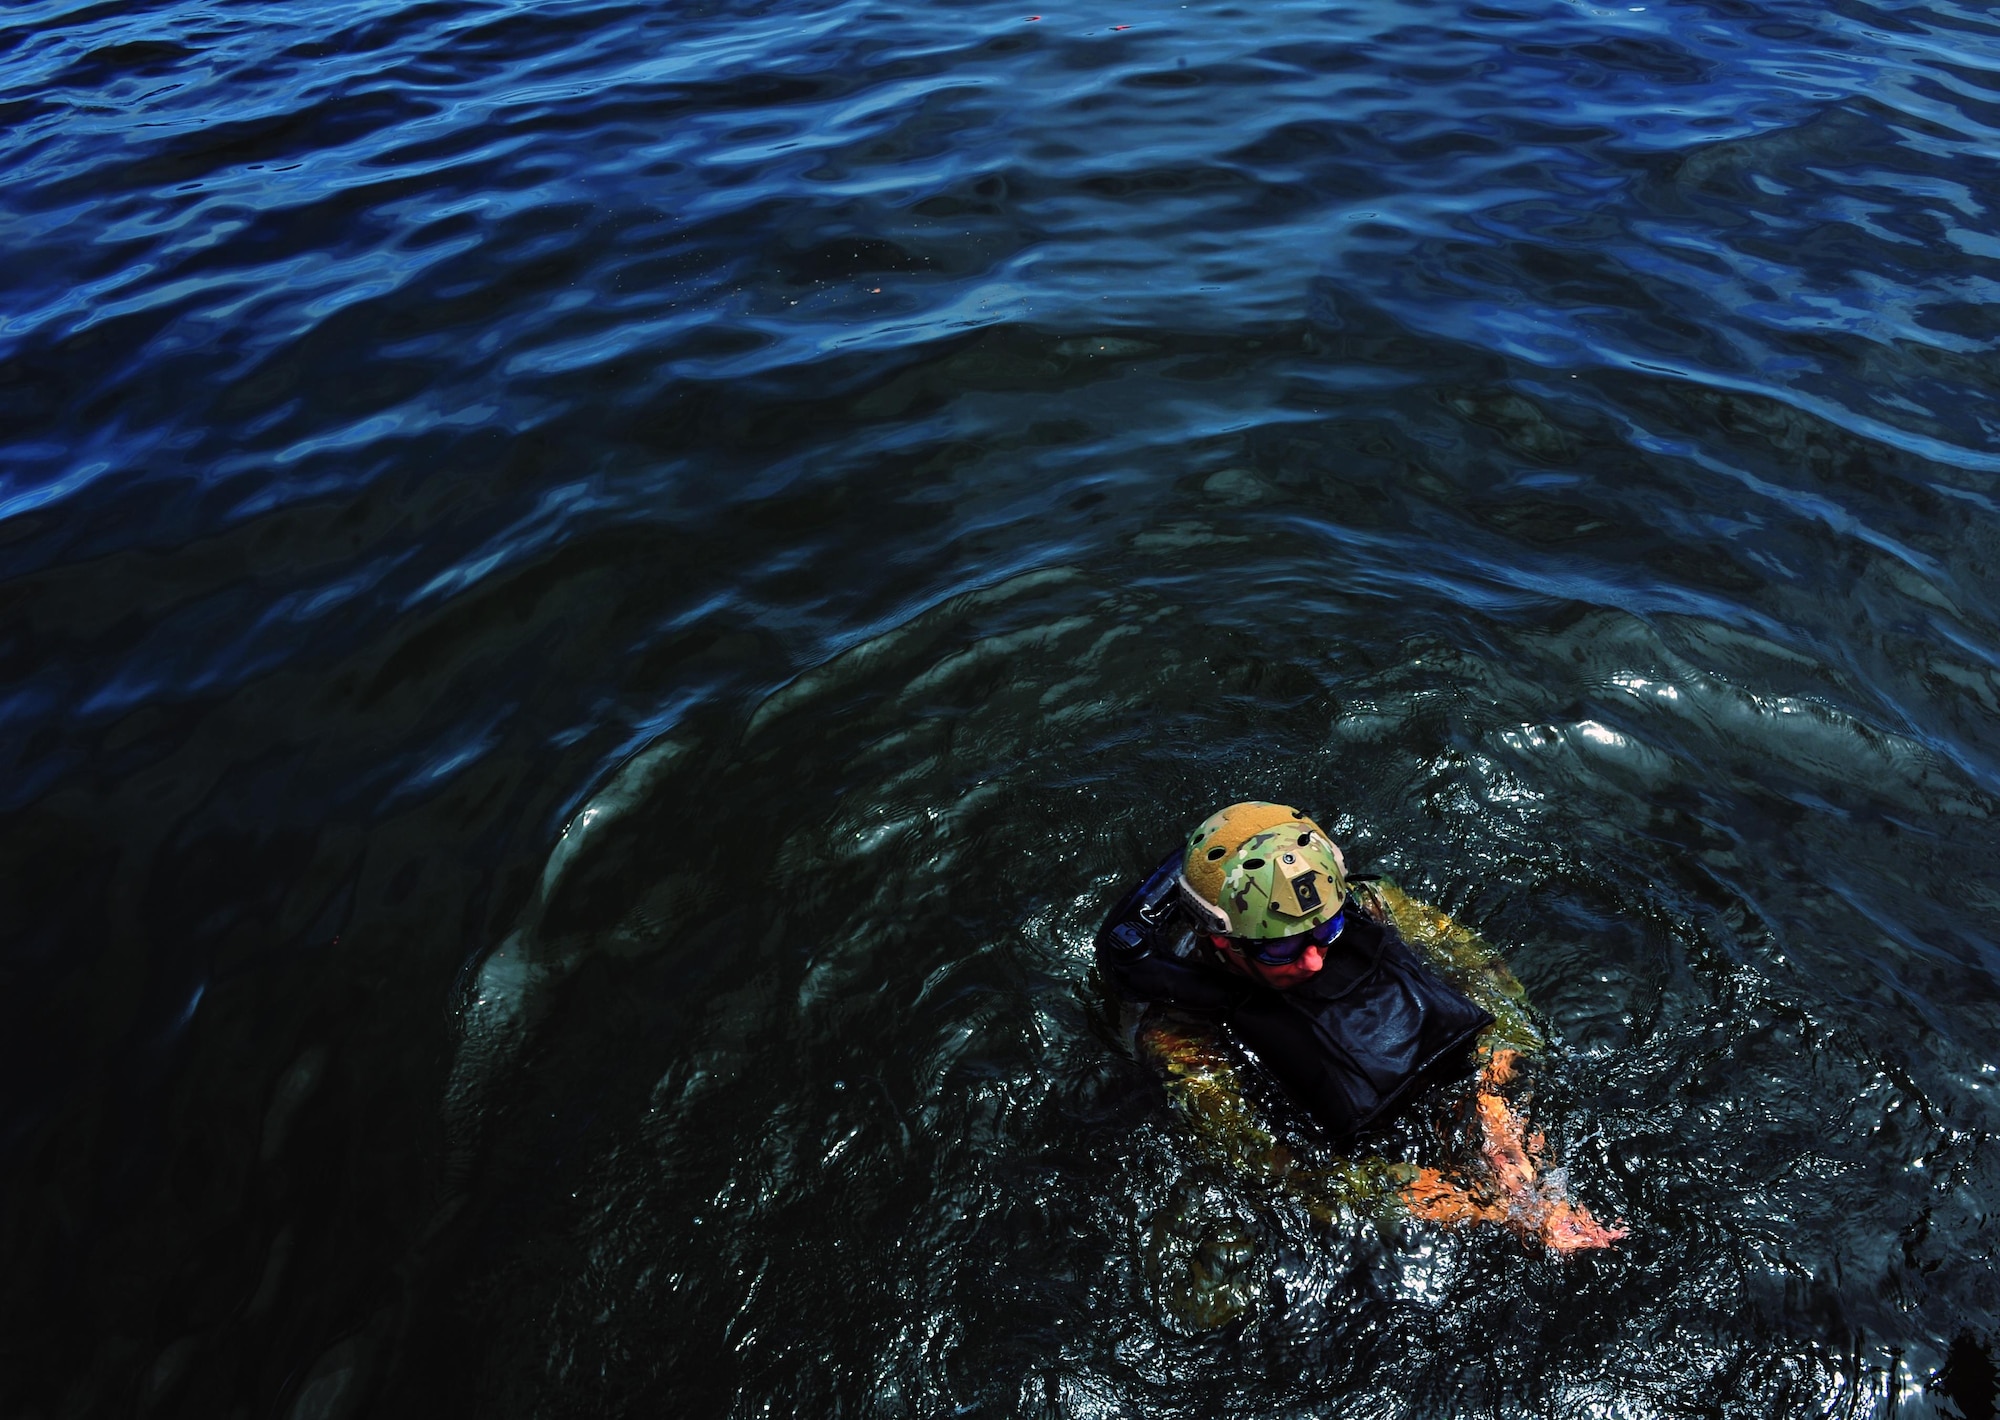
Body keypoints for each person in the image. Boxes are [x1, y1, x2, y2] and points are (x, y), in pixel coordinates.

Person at [1097, 801, 1623, 1278]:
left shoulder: (1371, 905)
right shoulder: (1180, 1032)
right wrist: (1483, 1211)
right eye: (1280, 951)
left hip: (1445, 1078)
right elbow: (1277, 1166)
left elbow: (1481, 973)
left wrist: (1497, 1088)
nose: (1313, 960)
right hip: (1362, 1154)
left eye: (1324, 933)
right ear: (1219, 938)